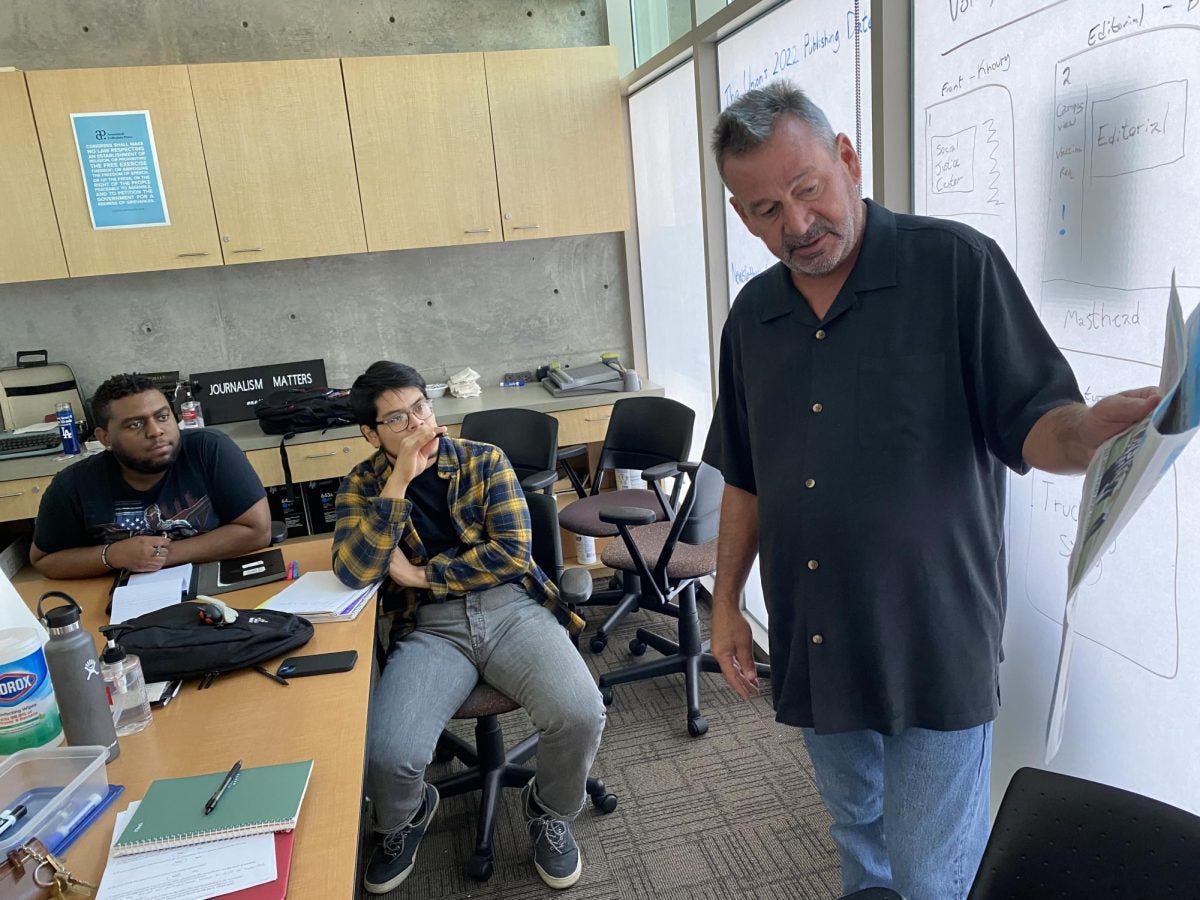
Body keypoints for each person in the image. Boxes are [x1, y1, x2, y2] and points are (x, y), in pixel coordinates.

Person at [702, 81, 1160, 900]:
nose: (797, 226)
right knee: (859, 841)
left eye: (807, 189)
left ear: (847, 159)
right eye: (767, 209)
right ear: (743, 216)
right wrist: (727, 600)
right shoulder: (753, 317)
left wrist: (1087, 434)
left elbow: (1036, 424)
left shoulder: (954, 267)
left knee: (930, 870)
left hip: (932, 636)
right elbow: (744, 473)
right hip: (815, 636)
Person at [332, 360, 605, 894]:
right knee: (390, 755)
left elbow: (510, 555)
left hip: (510, 608)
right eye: (397, 420)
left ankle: (548, 809)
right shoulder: (362, 486)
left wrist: (421, 574)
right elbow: (353, 572)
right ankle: (406, 818)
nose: (418, 426)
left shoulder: (485, 460)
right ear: (369, 433)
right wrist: (399, 483)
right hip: (430, 628)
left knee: (580, 713)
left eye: (421, 408)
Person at [30, 373, 271, 581]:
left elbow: (257, 531)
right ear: (105, 438)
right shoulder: (73, 484)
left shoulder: (209, 449)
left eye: (162, 417)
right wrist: (111, 555)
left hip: (214, 578)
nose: (155, 431)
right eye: (135, 425)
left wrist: (160, 556)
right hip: (121, 595)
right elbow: (45, 560)